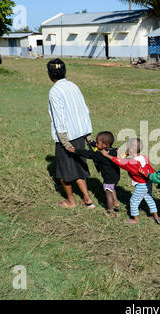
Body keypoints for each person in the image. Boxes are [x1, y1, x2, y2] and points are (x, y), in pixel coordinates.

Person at [47, 58, 95, 209]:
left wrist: (64, 142)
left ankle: (70, 201)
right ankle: (87, 200)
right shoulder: (74, 86)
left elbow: (59, 118)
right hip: (81, 134)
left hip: (67, 137)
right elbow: (84, 110)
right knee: (79, 168)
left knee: (64, 173)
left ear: (50, 74)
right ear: (64, 71)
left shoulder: (54, 91)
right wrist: (88, 136)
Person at [100, 138, 158, 224]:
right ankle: (155, 216)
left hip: (141, 185)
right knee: (150, 199)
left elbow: (120, 162)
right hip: (148, 183)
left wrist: (107, 155)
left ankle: (136, 219)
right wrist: (124, 155)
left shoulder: (131, 163)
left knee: (133, 201)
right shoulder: (143, 157)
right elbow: (127, 161)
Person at [72, 131, 121, 217]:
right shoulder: (113, 151)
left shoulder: (99, 155)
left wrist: (75, 150)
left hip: (108, 178)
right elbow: (100, 146)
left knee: (108, 194)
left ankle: (111, 212)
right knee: (112, 189)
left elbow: (88, 154)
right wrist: (93, 143)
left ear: (105, 145)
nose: (96, 144)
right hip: (116, 177)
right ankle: (116, 203)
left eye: (97, 142)